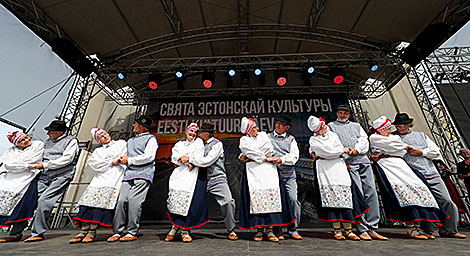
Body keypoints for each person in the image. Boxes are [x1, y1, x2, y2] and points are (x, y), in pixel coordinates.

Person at [370, 116, 448, 240]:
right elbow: (399, 147)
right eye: (387, 128)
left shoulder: (394, 137)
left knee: (419, 193)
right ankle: (411, 229)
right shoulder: (374, 137)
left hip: (402, 166)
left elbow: (400, 149)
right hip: (388, 167)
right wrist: (397, 149)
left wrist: (395, 149)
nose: (390, 130)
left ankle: (419, 228)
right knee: (404, 195)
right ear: (380, 129)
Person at [392, 113, 466, 239]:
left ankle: (449, 229)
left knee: (447, 201)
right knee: (423, 203)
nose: (400, 127)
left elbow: (435, 151)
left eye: (403, 124)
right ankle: (427, 230)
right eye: (398, 125)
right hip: (412, 175)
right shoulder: (392, 137)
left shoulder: (421, 135)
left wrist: (422, 152)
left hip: (431, 172)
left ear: (409, 124)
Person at [328, 104, 387, 241]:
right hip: (348, 163)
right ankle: (362, 228)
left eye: (345, 112)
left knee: (371, 192)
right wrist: (347, 151)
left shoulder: (356, 125)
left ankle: (372, 227)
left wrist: (357, 150)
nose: (343, 115)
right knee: (358, 194)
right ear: (337, 113)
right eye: (341, 112)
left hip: (363, 161)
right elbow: (333, 143)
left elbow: (363, 140)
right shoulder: (331, 126)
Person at [308, 115, 368, 241]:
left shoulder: (333, 135)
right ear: (318, 130)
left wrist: (338, 150)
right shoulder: (314, 141)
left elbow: (335, 148)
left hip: (339, 167)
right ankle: (337, 230)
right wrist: (341, 150)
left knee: (346, 198)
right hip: (325, 169)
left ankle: (349, 230)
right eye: (323, 127)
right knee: (331, 200)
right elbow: (327, 151)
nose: (325, 127)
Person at [238, 117, 296, 242]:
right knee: (256, 200)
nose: (257, 129)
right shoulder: (244, 140)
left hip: (269, 172)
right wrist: (262, 156)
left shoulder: (264, 135)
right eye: (254, 128)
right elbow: (251, 152)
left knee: (271, 200)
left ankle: (270, 230)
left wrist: (254, 154)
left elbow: (269, 149)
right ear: (248, 130)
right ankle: (259, 230)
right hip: (253, 173)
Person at [69, 128, 126, 243]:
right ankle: (83, 231)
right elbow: (94, 164)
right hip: (100, 179)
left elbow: (121, 156)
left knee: (100, 206)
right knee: (87, 204)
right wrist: (111, 162)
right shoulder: (98, 151)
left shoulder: (121, 143)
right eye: (100, 136)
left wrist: (111, 161)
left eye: (104, 134)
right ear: (98, 140)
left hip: (114, 178)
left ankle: (92, 232)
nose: (104, 136)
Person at [25, 120, 79, 242]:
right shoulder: (46, 143)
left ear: (60, 132)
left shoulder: (71, 141)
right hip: (44, 175)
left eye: (51, 131)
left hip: (62, 175)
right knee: (28, 199)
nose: (48, 133)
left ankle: (37, 233)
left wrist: (45, 165)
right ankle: (16, 231)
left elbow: (67, 159)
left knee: (44, 201)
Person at [107, 115, 158, 242]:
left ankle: (131, 231)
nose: (133, 125)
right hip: (128, 174)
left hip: (143, 174)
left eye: (135, 124)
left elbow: (149, 157)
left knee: (134, 202)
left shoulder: (151, 139)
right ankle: (117, 231)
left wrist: (130, 160)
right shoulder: (130, 141)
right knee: (121, 201)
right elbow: (126, 156)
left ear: (141, 126)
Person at [185, 122, 238, 240]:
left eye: (200, 132)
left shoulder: (217, 144)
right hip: (199, 179)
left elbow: (207, 161)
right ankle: (185, 229)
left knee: (228, 201)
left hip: (216, 178)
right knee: (189, 202)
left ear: (207, 134)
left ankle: (231, 229)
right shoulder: (196, 144)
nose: (197, 134)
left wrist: (190, 159)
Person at [165, 123, 208, 243]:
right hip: (179, 175)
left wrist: (188, 159)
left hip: (192, 176)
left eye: (195, 132)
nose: (193, 134)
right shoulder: (179, 144)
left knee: (188, 203)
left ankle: (184, 230)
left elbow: (198, 156)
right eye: (191, 131)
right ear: (186, 132)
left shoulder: (199, 143)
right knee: (175, 202)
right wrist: (183, 160)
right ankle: (174, 227)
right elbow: (175, 157)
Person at [0, 132, 44, 243]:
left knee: (23, 205)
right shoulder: (10, 151)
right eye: (21, 140)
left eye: (26, 137)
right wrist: (26, 165)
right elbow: (9, 164)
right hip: (9, 181)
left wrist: (21, 164)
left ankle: (16, 232)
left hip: (28, 180)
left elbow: (33, 159)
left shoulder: (37, 145)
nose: (25, 140)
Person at [265, 116, 302, 240]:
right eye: (277, 123)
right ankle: (278, 229)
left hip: (288, 176)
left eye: (282, 124)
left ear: (287, 127)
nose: (278, 126)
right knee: (276, 202)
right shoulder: (267, 137)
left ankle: (293, 228)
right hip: (273, 175)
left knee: (293, 199)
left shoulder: (291, 139)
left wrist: (281, 159)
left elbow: (294, 156)